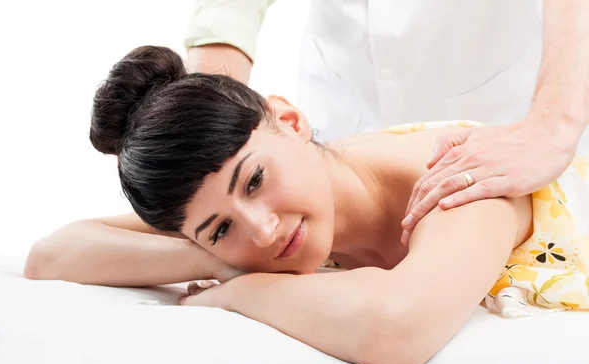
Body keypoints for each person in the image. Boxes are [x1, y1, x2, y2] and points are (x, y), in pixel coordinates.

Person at [25, 46, 589, 364]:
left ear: (290, 121)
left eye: (256, 181)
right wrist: (218, 261)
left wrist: (239, 291)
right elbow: (53, 255)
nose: (263, 230)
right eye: (218, 228)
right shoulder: (243, 236)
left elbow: (397, 331)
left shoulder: (457, 176)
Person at [184, 0, 589, 246]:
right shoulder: (273, 202)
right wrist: (203, 141)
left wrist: (553, 126)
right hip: (343, 110)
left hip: (498, 115)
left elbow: (398, 328)